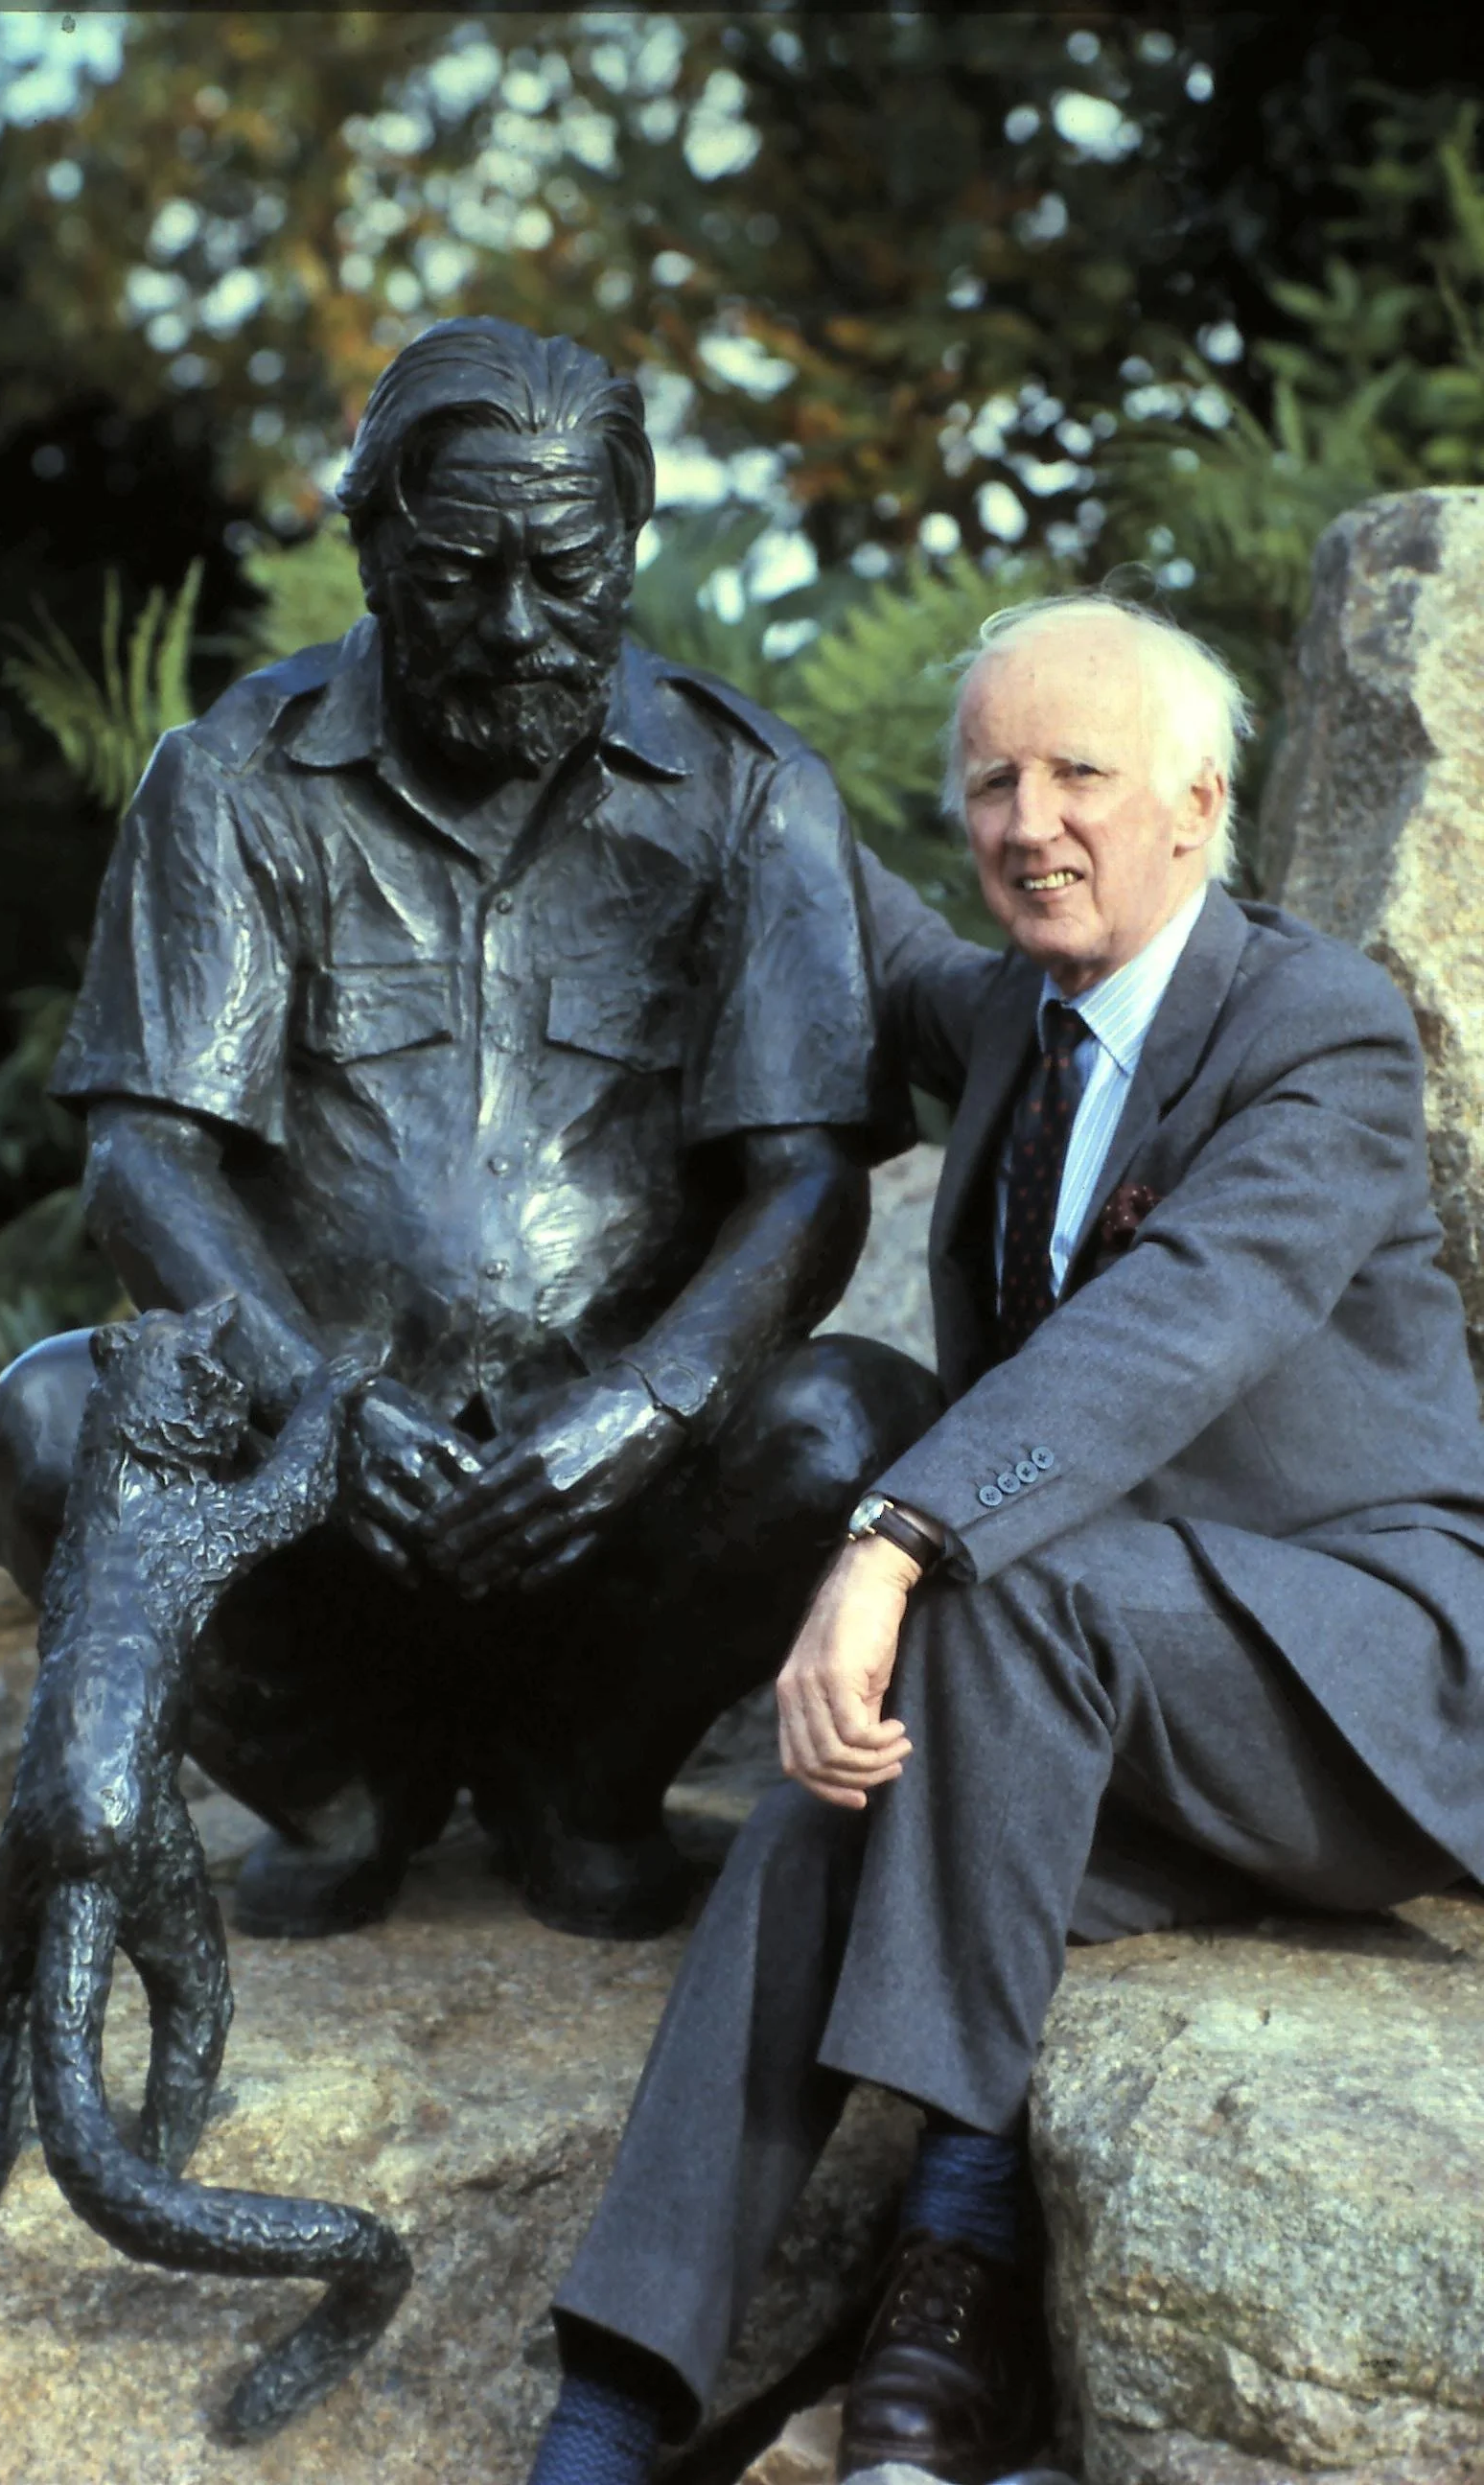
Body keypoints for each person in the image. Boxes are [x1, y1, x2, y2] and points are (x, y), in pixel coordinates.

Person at [522, 593, 1484, 2485]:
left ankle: (954, 2241)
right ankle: (614, 2399)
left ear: (1201, 803)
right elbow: (844, 906)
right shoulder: (1023, 1020)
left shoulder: (1322, 1034)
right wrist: (606, 673)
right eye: (992, 780)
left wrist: (886, 1543)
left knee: (972, 1610)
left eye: (1080, 775)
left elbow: (1172, 1327)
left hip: (1361, 1682)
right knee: (839, 1789)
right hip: (1090, 1699)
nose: (1028, 818)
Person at [0, 317, 936, 1943]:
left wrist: (643, 1411)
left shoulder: (750, 793)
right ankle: (348, 1785)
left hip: (623, 1513)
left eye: (564, 574)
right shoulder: (228, 784)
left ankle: (590, 1779)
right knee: (57, 1423)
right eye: (452, 575)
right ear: (366, 549)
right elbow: (149, 1161)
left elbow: (805, 1185)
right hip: (315, 1509)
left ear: (629, 547)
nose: (512, 628)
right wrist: (319, 1415)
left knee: (854, 1422)